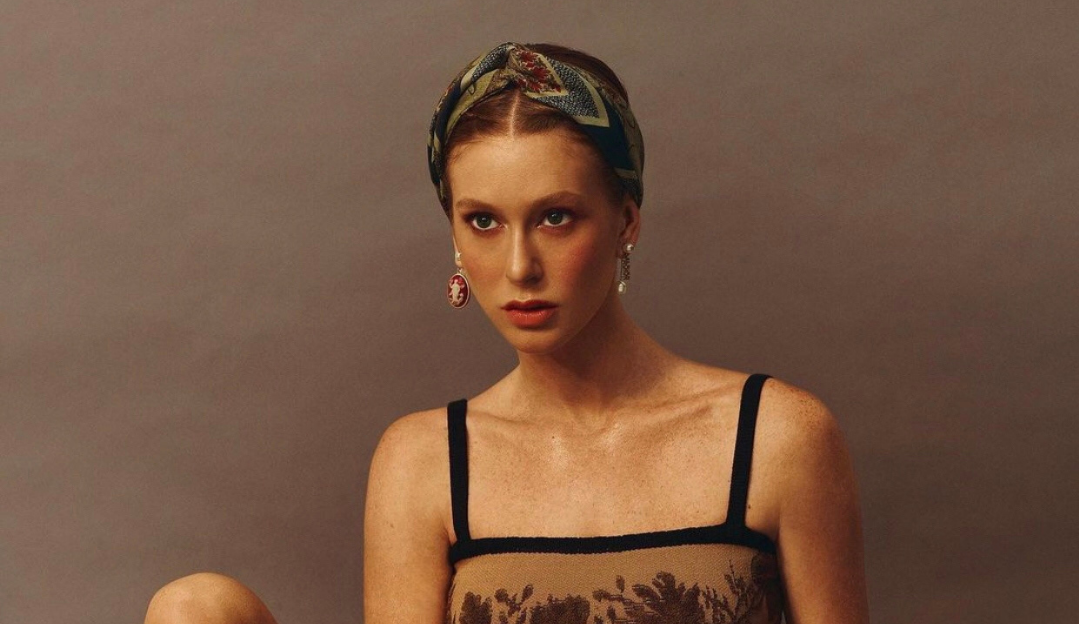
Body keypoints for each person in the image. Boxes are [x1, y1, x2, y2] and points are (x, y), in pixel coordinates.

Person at [145, 42, 869, 624]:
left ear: (626, 220)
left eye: (555, 217)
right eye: (483, 221)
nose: (519, 266)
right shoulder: (424, 460)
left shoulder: (777, 436)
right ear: (455, 236)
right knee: (193, 608)